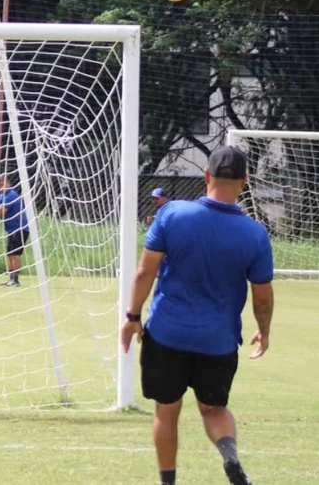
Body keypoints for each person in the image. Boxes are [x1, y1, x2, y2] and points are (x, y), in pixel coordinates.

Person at [120, 146, 274, 485]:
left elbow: (145, 271)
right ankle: (229, 454)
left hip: (167, 334)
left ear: (207, 177)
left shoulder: (173, 213)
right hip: (218, 341)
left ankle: (168, 482)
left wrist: (132, 316)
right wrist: (264, 330)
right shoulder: (255, 234)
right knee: (214, 409)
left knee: (167, 409)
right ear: (244, 182)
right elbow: (261, 297)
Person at [0, 174, 29, 286]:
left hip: (20, 227)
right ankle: (10, 278)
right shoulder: (2, 196)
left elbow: (0, 211)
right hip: (11, 229)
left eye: (2, 183)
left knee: (15, 253)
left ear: (9, 184)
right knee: (9, 253)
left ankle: (15, 280)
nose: (0, 186)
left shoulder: (11, 195)